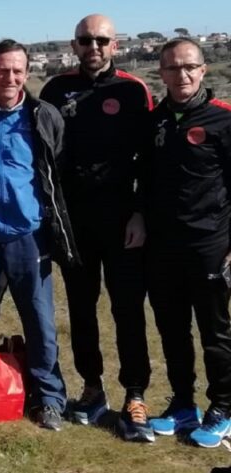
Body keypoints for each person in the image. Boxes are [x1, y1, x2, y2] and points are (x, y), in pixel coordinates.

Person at [40, 14, 153, 441]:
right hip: (73, 220)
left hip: (123, 219)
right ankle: (92, 386)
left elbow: (150, 160)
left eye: (101, 40)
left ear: (115, 45)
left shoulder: (132, 89)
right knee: (82, 308)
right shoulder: (55, 89)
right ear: (74, 45)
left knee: (127, 309)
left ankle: (135, 393)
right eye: (86, 40)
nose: (94, 47)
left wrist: (140, 213)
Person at [0, 40, 77, 431]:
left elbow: (56, 171)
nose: (10, 77)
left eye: (17, 70)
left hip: (31, 238)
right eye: (2, 69)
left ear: (27, 73)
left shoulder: (43, 115)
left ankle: (48, 399)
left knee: (41, 323)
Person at [142, 38, 231, 448]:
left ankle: (224, 407)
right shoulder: (154, 120)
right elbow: (143, 181)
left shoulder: (223, 120)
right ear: (161, 73)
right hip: (162, 246)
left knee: (215, 331)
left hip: (210, 244)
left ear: (203, 70)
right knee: (172, 329)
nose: (182, 75)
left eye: (189, 67)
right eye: (173, 68)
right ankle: (182, 403)